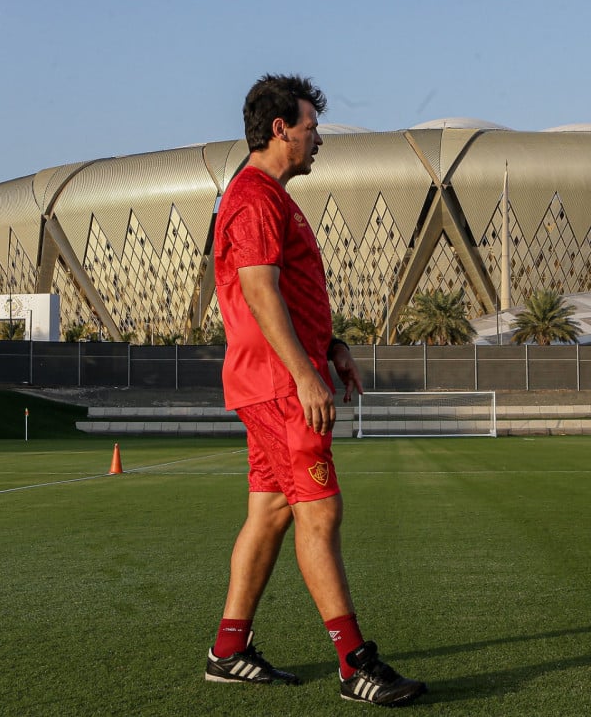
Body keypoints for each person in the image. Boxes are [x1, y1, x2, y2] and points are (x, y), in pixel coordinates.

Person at [204, 73, 426, 708]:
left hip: (277, 376)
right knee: (320, 512)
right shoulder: (255, 197)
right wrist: (305, 374)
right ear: (281, 129)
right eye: (311, 127)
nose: (318, 139)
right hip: (279, 385)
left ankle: (228, 649)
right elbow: (257, 287)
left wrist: (330, 347)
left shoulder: (269, 196)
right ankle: (355, 663)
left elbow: (286, 292)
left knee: (271, 512)